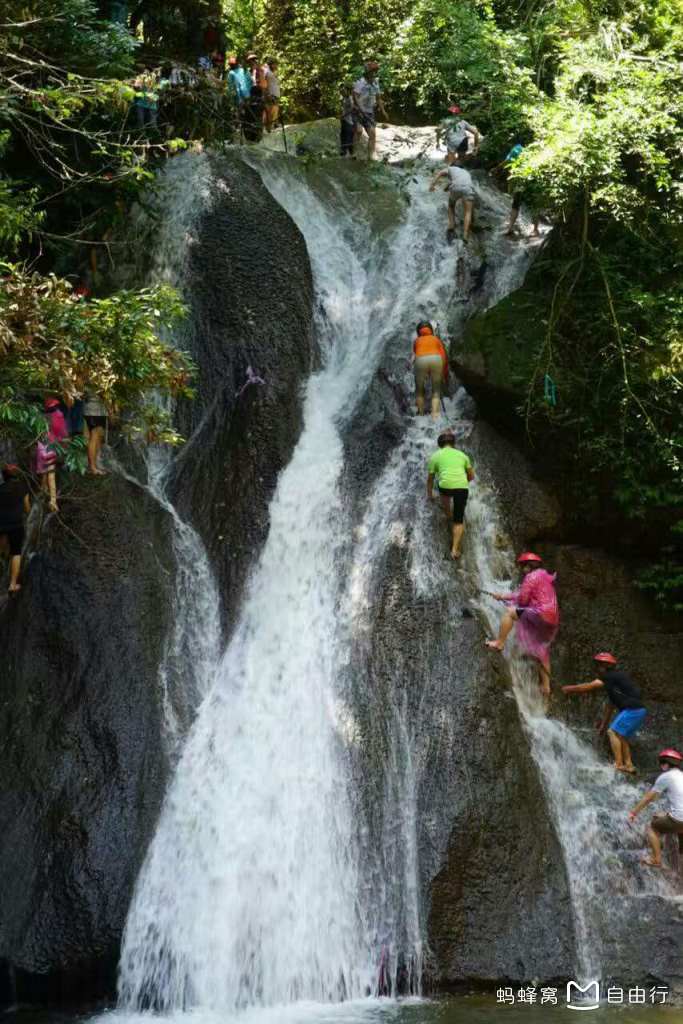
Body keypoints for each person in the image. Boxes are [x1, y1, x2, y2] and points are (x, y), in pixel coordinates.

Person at [486, 552, 559, 698]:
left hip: (539, 613)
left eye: (522, 566)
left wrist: (510, 603)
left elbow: (523, 600)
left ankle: (500, 643)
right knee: (542, 649)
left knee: (509, 613)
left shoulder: (530, 577)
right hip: (552, 618)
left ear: (527, 566)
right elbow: (522, 595)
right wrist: (503, 596)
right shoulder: (544, 576)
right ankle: (546, 686)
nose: (521, 569)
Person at [562, 653, 647, 774]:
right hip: (639, 710)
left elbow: (588, 686)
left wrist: (567, 689)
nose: (598, 667)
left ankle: (618, 764)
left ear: (606, 666)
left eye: (600, 665)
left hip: (632, 709)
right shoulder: (616, 680)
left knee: (612, 732)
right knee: (621, 736)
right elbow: (610, 705)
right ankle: (629, 765)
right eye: (598, 664)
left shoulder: (609, 676)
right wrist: (603, 724)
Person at [628, 749, 683, 868]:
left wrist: (633, 812)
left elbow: (649, 798)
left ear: (665, 764)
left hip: (679, 818)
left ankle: (656, 859)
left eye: (661, 762)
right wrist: (666, 814)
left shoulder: (666, 776)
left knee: (652, 828)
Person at [426, 430, 475, 560]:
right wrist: (463, 481)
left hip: (445, 487)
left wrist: (429, 495)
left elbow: (430, 479)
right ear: (453, 444)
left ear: (439, 444)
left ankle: (447, 512)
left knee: (441, 486)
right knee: (459, 521)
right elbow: (471, 476)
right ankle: (454, 549)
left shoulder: (435, 456)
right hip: (461, 488)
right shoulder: (463, 455)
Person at [429, 156, 476, 243]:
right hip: (468, 188)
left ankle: (451, 225)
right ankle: (465, 234)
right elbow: (460, 181)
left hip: (456, 187)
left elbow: (440, 173)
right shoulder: (466, 172)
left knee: (451, 206)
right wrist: (447, 188)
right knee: (468, 212)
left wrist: (432, 185)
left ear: (452, 165)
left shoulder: (450, 168)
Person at [0, 464, 31, 593]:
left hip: (1, 524)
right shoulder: (22, 488)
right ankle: (12, 584)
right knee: (16, 552)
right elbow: (27, 507)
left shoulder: (0, 488)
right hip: (16, 524)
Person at [35, 397, 68, 512]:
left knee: (44, 473)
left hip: (41, 447)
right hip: (52, 447)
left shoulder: (41, 417)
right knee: (51, 473)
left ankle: (43, 491)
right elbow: (63, 433)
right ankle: (53, 501)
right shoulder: (58, 415)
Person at [412, 321, 449, 418]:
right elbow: (443, 356)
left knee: (419, 390)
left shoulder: (416, 341)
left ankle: (420, 413)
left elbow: (416, 354)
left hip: (420, 360)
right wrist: (443, 373)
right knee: (436, 390)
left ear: (418, 332)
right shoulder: (436, 339)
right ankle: (435, 414)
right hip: (436, 360)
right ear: (431, 330)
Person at [352, 60, 388, 160]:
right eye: (372, 72)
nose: (374, 74)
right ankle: (353, 153)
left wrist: (383, 110)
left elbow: (378, 98)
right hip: (359, 111)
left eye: (375, 72)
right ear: (367, 72)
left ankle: (371, 156)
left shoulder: (376, 83)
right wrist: (359, 108)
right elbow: (355, 96)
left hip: (369, 112)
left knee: (372, 133)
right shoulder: (360, 82)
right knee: (359, 131)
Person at [83, 393, 108, 475]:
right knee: (94, 436)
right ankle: (92, 467)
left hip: (99, 410)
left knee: (98, 437)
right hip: (93, 410)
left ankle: (97, 464)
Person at [263, 58, 281, 131]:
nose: (276, 65)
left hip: (276, 94)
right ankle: (268, 128)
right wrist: (268, 94)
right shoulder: (267, 72)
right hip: (271, 94)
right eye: (275, 64)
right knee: (270, 112)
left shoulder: (273, 72)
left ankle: (273, 126)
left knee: (275, 111)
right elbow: (265, 84)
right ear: (271, 64)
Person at [340, 82, 355, 157]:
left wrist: (344, 115)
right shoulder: (344, 98)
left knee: (348, 136)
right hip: (344, 119)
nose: (342, 90)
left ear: (348, 90)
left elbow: (352, 108)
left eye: (344, 89)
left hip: (349, 121)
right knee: (343, 135)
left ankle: (349, 153)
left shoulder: (350, 98)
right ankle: (344, 151)